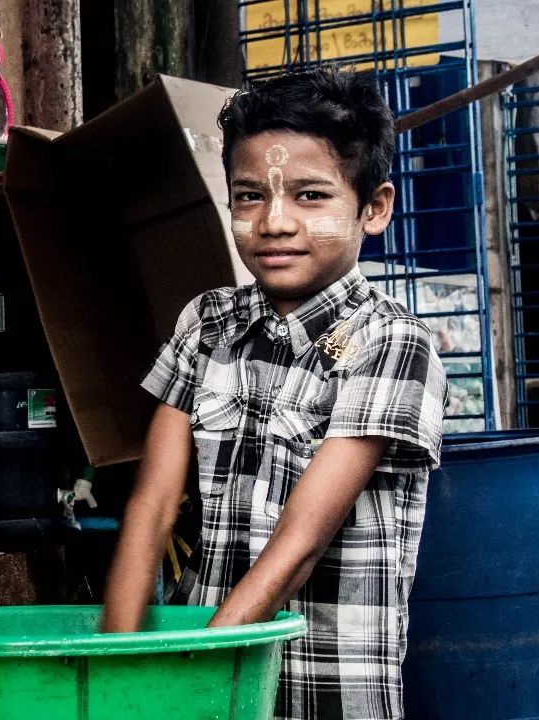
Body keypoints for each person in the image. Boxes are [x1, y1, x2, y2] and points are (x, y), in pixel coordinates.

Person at [101, 67, 448, 719]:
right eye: (249, 196)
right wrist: (116, 664)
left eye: (311, 196)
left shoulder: (394, 343)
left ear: (373, 207)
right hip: (198, 675)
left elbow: (302, 541)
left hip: (324, 691)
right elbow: (151, 504)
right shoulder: (205, 325)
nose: (274, 222)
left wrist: (201, 672)